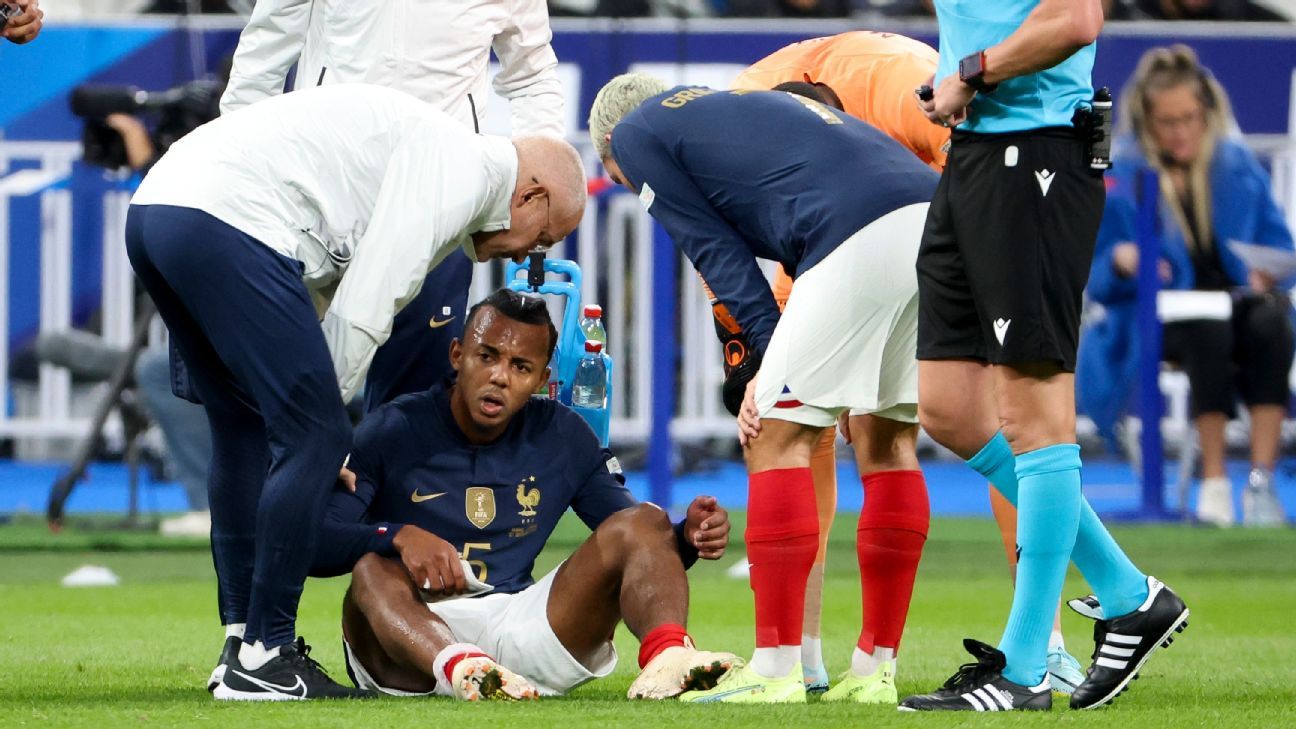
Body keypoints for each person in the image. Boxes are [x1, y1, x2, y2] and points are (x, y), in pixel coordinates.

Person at [126, 83, 586, 701]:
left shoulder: (437, 154)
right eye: (544, 236)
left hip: (158, 208)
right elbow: (365, 308)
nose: (531, 252)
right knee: (314, 436)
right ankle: (266, 655)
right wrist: (322, 433)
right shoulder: (462, 172)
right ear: (530, 195)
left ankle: (240, 645)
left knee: (241, 427)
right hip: (226, 218)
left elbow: (317, 291)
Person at [716, 30, 1084, 694]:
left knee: (999, 418)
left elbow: (983, 174)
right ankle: (804, 657)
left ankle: (1046, 643)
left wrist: (889, 337)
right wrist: (755, 370)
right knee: (783, 420)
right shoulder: (740, 123)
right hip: (834, 238)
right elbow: (727, 263)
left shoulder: (898, 86)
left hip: (961, 209)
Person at [591, 75, 937, 705]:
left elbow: (717, 254)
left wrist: (763, 361)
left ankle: (775, 671)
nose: (631, 186)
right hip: (932, 218)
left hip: (854, 228)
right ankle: (874, 672)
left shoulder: (637, 135)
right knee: (890, 441)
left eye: (621, 179)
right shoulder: (727, 109)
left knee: (775, 435)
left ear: (612, 142)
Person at [901, 0, 1189, 712]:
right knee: (949, 407)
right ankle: (1126, 593)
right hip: (973, 150)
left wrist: (971, 72)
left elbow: (1077, 19)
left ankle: (1025, 669)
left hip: (1037, 151)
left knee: (1033, 412)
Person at [312, 288, 736, 701]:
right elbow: (319, 543)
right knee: (371, 569)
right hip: (413, 637)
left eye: (520, 366)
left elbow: (639, 545)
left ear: (540, 379)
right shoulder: (393, 429)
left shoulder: (563, 434)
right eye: (487, 356)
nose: (500, 376)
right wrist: (398, 536)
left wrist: (687, 537)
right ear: (457, 355)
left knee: (645, 518)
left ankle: (669, 658)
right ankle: (465, 669)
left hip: (519, 623)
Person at [218, 0, 566, 413]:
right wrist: (236, 162)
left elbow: (532, 77)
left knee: (412, 405)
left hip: (443, 202)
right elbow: (267, 43)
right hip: (323, 191)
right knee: (275, 388)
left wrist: (537, 178)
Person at [1078, 45, 1293, 528]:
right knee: (1207, 331)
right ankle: (1214, 484)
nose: (1180, 131)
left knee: (1272, 326)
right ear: (1146, 121)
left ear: (1207, 113)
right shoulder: (1123, 173)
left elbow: (1282, 246)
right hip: (1156, 317)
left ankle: (1260, 482)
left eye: (1189, 119)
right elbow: (1093, 276)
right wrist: (1122, 260)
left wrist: (1268, 272)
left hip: (1238, 303)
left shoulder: (1236, 166)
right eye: (1167, 122)